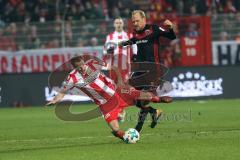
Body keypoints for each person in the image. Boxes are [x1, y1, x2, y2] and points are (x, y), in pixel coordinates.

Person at [46, 56, 171, 141]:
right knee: (116, 129)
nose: (83, 68)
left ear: (84, 62)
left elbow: (113, 68)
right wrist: (56, 99)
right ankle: (125, 137)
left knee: (141, 94)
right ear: (74, 67)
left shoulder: (93, 63)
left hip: (116, 91)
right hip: (105, 103)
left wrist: (121, 81)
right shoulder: (72, 78)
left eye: (83, 65)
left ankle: (159, 100)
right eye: (79, 67)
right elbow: (62, 92)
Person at [119, 10, 176, 132]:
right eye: (133, 21)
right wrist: (124, 43)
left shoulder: (154, 29)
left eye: (137, 21)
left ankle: (137, 129)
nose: (135, 23)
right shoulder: (136, 33)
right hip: (140, 71)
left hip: (153, 71)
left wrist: (170, 27)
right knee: (130, 95)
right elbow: (135, 41)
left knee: (142, 100)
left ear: (144, 19)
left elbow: (172, 37)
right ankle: (154, 112)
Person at [103, 17, 137, 122]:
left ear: (123, 24)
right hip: (113, 65)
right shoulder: (110, 37)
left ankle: (121, 111)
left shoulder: (128, 36)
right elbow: (105, 51)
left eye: (120, 22)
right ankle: (118, 110)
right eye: (116, 22)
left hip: (124, 66)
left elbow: (135, 45)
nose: (118, 24)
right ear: (114, 24)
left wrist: (135, 55)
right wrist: (108, 51)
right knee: (113, 88)